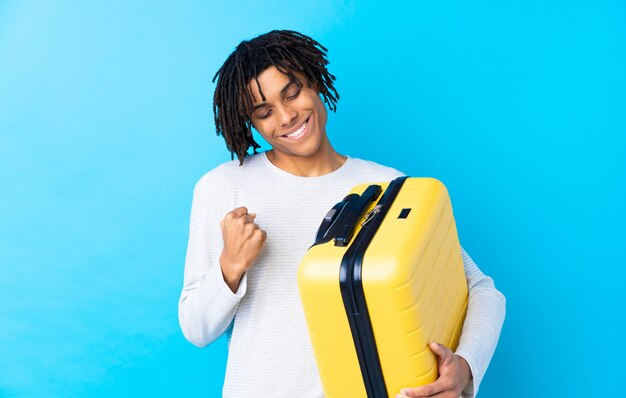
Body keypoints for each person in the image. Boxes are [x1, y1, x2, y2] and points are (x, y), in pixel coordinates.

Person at [178, 29, 506, 398]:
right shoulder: (223, 188)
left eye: (293, 92)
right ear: (250, 124)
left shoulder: (386, 188)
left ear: (314, 82)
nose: (286, 116)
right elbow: (196, 328)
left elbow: (481, 289)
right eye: (265, 112)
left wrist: (466, 367)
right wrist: (230, 266)